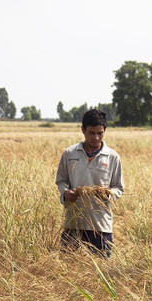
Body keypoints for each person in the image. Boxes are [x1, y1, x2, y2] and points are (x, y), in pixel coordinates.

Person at [55, 108, 124, 257]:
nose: (96, 137)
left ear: (104, 131)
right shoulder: (69, 154)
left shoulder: (112, 157)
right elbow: (61, 181)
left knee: (102, 269)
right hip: (73, 223)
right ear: (83, 130)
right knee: (67, 266)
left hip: (100, 225)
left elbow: (118, 188)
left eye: (100, 133)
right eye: (91, 133)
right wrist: (66, 193)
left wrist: (108, 195)